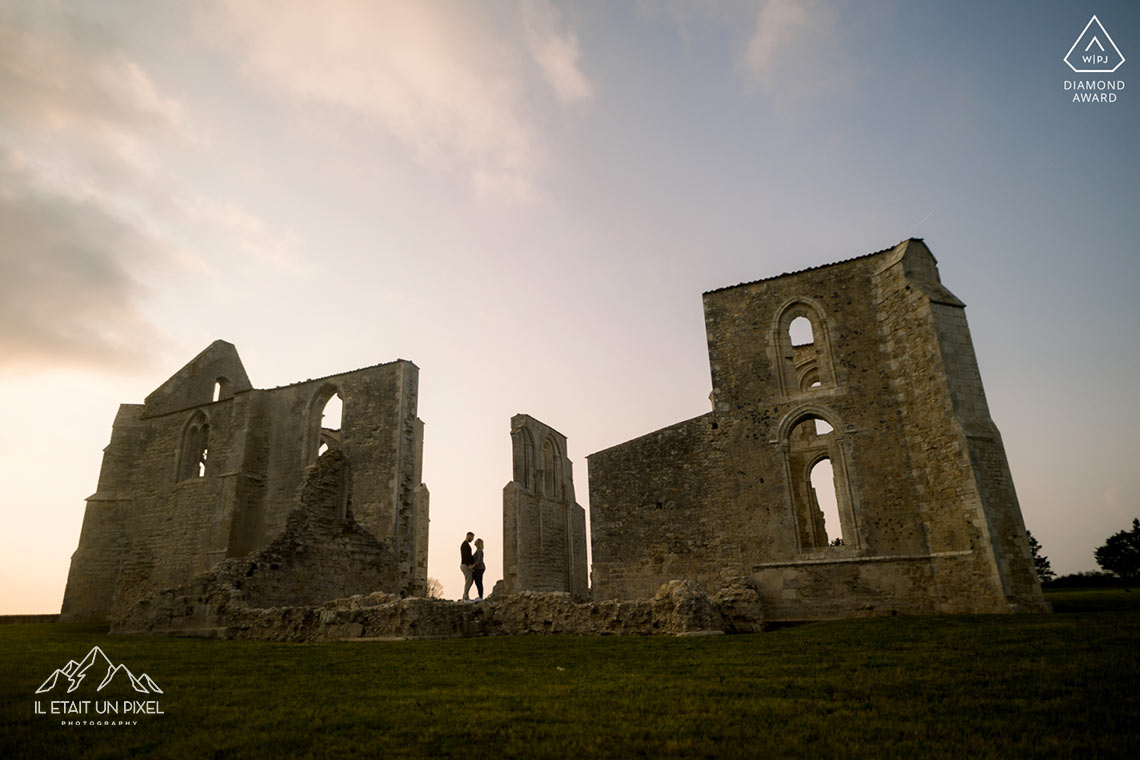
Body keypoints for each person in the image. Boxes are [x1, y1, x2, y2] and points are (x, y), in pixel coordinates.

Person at [460, 531, 475, 601]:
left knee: (469, 580)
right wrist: (469, 565)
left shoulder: (465, 545)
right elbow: (466, 556)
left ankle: (466, 595)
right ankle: (465, 596)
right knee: (469, 580)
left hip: (465, 564)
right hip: (465, 565)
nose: (472, 539)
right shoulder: (465, 545)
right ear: (468, 536)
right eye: (472, 537)